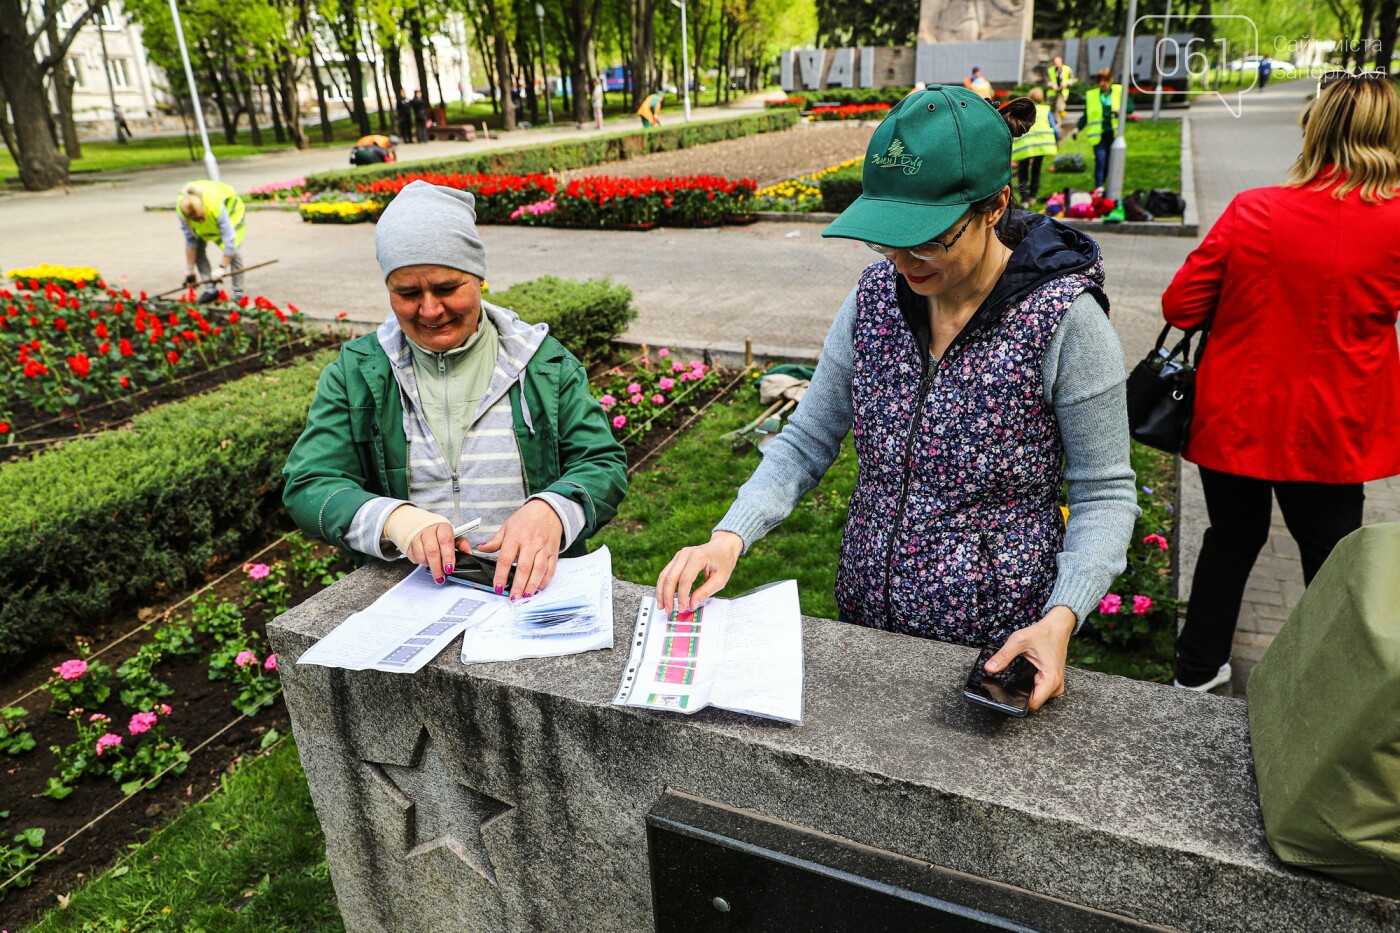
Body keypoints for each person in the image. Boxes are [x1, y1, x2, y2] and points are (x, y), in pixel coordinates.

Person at [656, 87, 1138, 713]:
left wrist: (1062, 615)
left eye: (930, 240)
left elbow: (1105, 491)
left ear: (994, 207)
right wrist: (730, 536)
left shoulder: (1067, 323)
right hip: (865, 622)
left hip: (994, 646)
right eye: (888, 239)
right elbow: (805, 441)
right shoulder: (875, 299)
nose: (906, 262)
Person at [1161, 72, 1400, 692]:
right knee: (1329, 556)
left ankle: (1196, 671)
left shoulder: (1254, 210)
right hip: (1335, 424)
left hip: (1239, 414)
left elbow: (1181, 307)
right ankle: (1333, 681)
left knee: (1232, 540)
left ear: (1312, 129)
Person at [282, 181, 628, 595]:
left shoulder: (543, 363)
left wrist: (553, 511)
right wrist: (396, 521)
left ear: (478, 278)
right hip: (416, 594)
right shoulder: (355, 373)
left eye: (447, 288)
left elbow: (602, 462)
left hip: (535, 590)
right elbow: (309, 483)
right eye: (407, 293)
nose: (430, 310)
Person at [176, 180, 246, 304]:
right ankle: (210, 289)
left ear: (203, 207)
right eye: (197, 219)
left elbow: (229, 242)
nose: (201, 220)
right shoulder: (182, 210)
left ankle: (238, 294)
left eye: (201, 216)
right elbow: (190, 241)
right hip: (211, 222)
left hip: (231, 215)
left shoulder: (214, 205)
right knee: (198, 250)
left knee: (234, 253)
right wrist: (189, 270)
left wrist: (222, 268)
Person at [1076, 69, 1133, 191]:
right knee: (1100, 159)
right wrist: (1078, 128)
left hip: (1113, 134)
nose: (1102, 83)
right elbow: (1086, 114)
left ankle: (1106, 183)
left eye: (1105, 80)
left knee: (1109, 161)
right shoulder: (1092, 95)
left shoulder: (1118, 91)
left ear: (1110, 80)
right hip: (1098, 135)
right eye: (1100, 81)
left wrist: (1121, 111)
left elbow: (1130, 107)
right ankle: (1099, 187)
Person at [1012, 87, 1057, 202]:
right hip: (1040, 145)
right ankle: (1033, 196)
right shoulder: (1045, 110)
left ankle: (1024, 199)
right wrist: (1057, 139)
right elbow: (1055, 128)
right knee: (1036, 171)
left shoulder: (1023, 110)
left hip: (1025, 146)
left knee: (1023, 172)